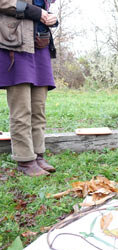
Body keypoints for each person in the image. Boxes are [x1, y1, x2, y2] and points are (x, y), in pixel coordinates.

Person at [0, 0, 58, 176]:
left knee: (38, 107)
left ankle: (38, 154)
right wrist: (37, 12)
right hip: (15, 45)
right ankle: (25, 160)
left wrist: (52, 19)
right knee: (21, 108)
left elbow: (42, 9)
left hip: (40, 46)